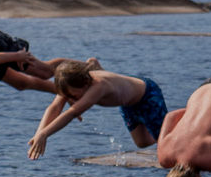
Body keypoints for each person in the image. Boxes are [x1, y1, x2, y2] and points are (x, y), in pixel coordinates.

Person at [26, 59, 170, 159]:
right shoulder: (70, 84)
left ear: (85, 84)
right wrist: (38, 134)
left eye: (73, 95)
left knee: (164, 143)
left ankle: (177, 124)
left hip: (147, 96)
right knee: (142, 143)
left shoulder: (99, 86)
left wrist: (45, 134)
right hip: (127, 104)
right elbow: (55, 106)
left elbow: (72, 112)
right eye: (68, 96)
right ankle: (170, 127)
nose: (71, 99)